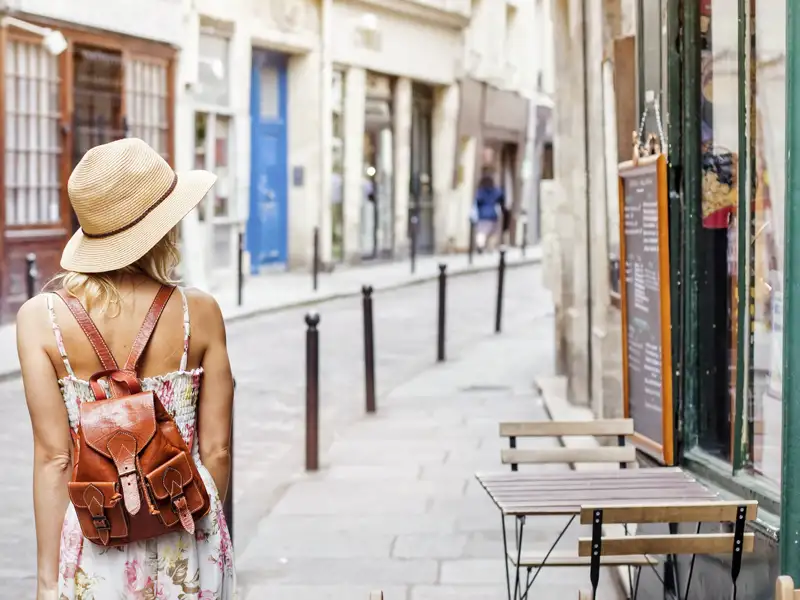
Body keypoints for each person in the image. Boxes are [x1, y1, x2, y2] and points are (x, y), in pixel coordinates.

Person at [16, 138, 236, 600]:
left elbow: (53, 460)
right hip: (186, 529)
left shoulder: (41, 320)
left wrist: (46, 580)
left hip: (97, 535)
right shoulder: (200, 312)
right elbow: (216, 450)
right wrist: (193, 526)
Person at [472, 174, 505, 252]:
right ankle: (490, 248)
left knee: (482, 231)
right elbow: (501, 197)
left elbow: (477, 201)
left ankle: (480, 245)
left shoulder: (480, 191)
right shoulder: (495, 190)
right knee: (492, 232)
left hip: (482, 214)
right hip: (493, 214)